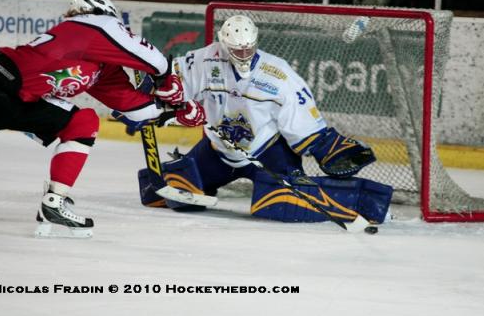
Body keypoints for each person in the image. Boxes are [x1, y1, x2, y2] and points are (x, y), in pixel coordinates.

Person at [0, 0, 205, 239]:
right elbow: (154, 59)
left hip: (26, 102)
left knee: (83, 122)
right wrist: (167, 80)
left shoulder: (100, 65)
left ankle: (54, 203)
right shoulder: (92, 23)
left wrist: (176, 111)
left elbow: (133, 108)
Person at [136, 15, 392, 225]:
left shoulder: (278, 74)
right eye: (238, 49)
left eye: (249, 48)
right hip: (216, 151)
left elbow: (303, 122)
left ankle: (362, 198)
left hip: (267, 153)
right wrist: (155, 95)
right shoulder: (204, 60)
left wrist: (326, 147)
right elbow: (170, 83)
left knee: (277, 203)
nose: (244, 54)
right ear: (224, 45)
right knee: (167, 194)